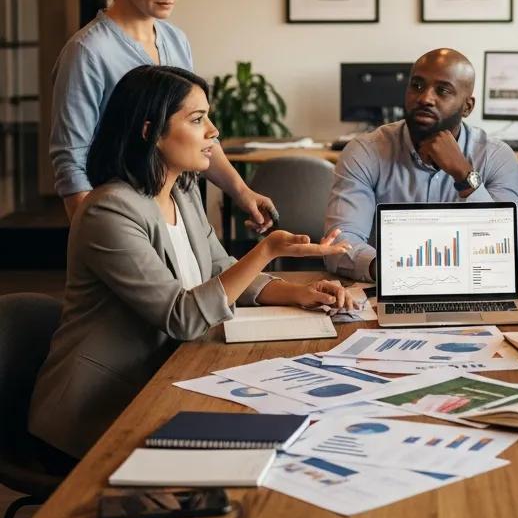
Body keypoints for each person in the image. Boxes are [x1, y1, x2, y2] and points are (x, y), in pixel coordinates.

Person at [29, 66, 357, 462]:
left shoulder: (181, 193)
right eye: (198, 119)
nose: (213, 132)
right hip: (98, 411)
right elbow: (181, 316)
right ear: (150, 131)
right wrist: (267, 250)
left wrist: (299, 293)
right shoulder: (109, 211)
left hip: (164, 379)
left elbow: (220, 270)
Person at [50, 0, 276, 230]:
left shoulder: (175, 40)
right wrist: (94, 234)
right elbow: (71, 159)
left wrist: (242, 192)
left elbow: (198, 130)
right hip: (122, 216)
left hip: (180, 207)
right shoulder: (88, 51)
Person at [323, 48, 518, 281]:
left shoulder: (496, 156)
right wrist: (396, 271)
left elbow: (512, 250)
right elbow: (338, 245)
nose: (425, 98)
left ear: (467, 107)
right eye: (417, 86)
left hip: (475, 285)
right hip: (392, 286)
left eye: (443, 90)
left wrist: (465, 176)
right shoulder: (365, 151)